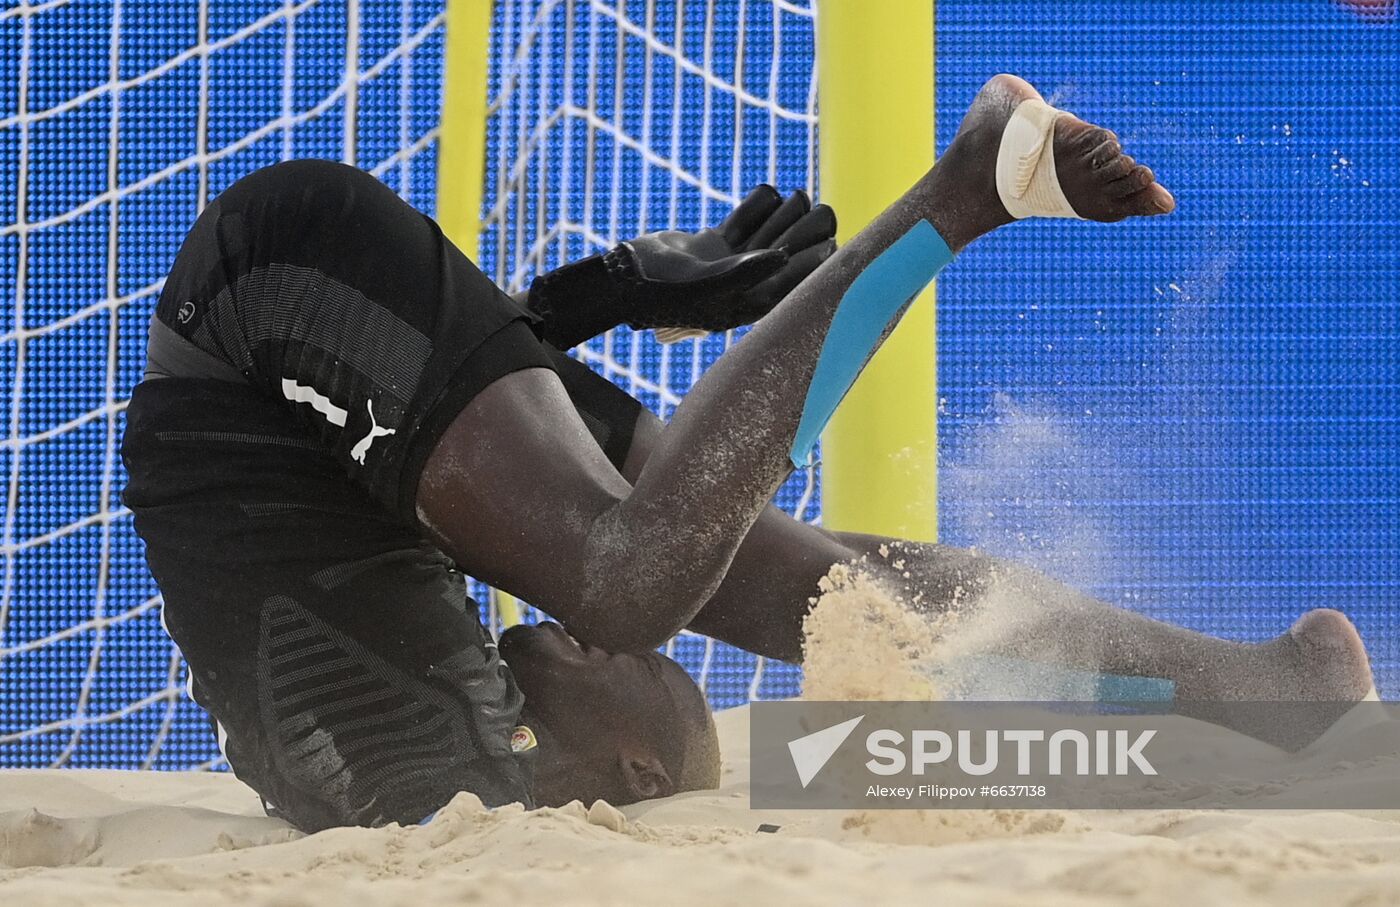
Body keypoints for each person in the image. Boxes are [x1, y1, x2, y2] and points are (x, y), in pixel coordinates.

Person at [122, 75, 1374, 833]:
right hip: (317, 368)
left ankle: (960, 193)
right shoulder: (481, 774)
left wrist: (608, 289)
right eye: (659, 673)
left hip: (265, 324)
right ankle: (1255, 689)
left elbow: (368, 410)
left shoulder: (454, 772)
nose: (619, 650)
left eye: (643, 667)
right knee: (770, 593)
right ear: (634, 766)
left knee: (674, 576)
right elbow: (385, 433)